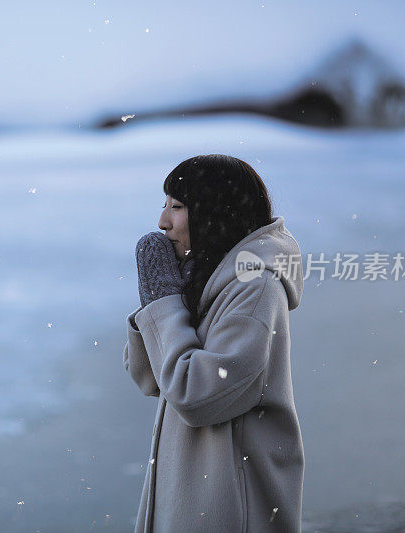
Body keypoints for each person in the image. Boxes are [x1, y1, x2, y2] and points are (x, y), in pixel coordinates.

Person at [123, 154, 305, 532]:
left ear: (214, 211)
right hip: (196, 492)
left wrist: (162, 302)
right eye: (165, 205)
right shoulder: (208, 279)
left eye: (177, 206)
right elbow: (150, 379)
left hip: (230, 503)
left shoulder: (254, 287)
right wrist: (162, 298)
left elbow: (196, 394)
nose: (163, 221)